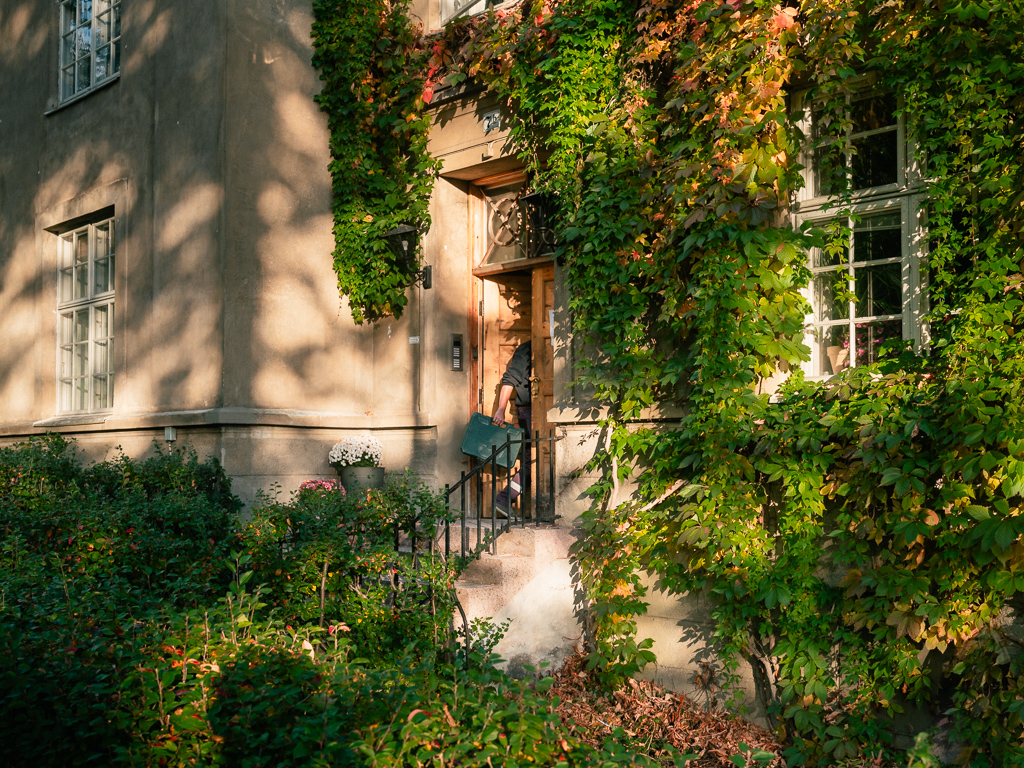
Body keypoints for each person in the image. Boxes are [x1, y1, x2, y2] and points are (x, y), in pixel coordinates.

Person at [492, 340, 531, 517]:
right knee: (534, 462)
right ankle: (504, 499)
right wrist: (500, 409)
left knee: (537, 462)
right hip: (530, 411)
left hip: (535, 411)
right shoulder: (527, 348)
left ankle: (506, 498)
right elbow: (510, 379)